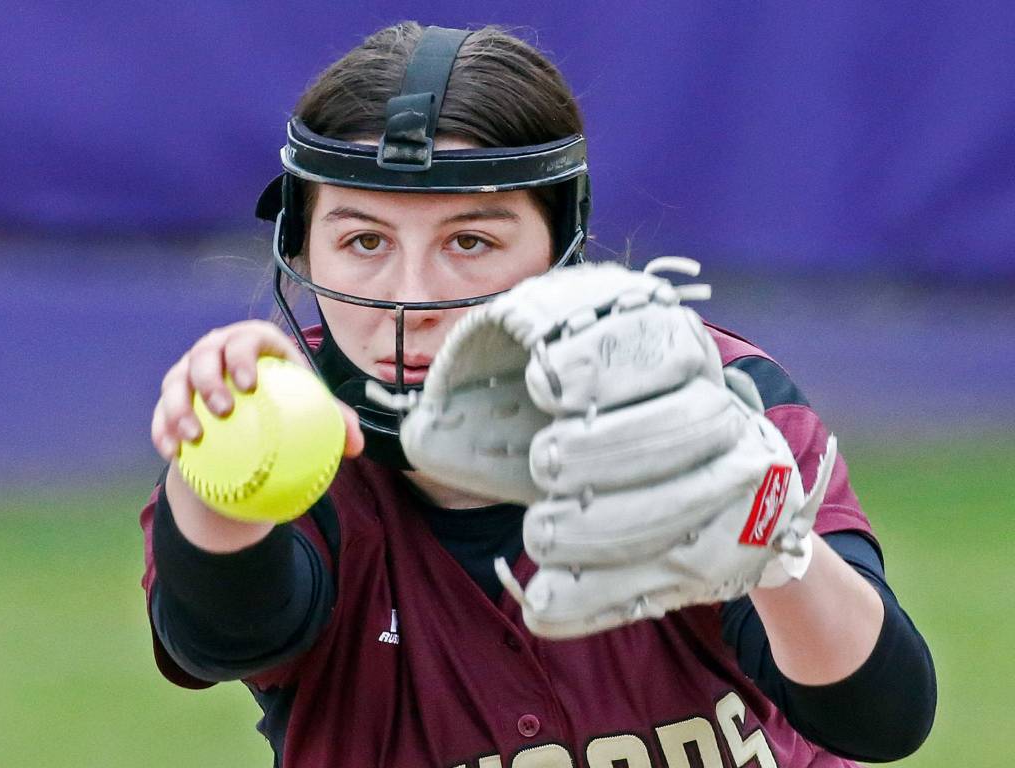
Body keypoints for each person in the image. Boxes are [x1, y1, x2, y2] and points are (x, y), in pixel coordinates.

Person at [142, 22, 936, 768]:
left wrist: (772, 544)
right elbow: (222, 634)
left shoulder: (710, 399)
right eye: (364, 241)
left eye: (471, 241)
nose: (410, 296)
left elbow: (881, 719)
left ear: (562, 246)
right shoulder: (279, 429)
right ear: (300, 245)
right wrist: (217, 469)